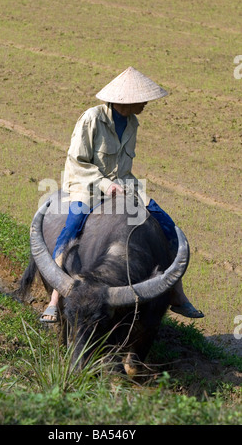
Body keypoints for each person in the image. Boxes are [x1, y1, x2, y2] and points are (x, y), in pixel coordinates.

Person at [41, 66, 204, 322]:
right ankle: (54, 298)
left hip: (124, 184)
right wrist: (106, 185)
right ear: (125, 101)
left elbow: (123, 169)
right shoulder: (92, 118)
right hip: (88, 185)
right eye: (142, 99)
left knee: (166, 225)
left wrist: (122, 186)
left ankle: (176, 293)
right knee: (71, 227)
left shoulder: (131, 122)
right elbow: (77, 162)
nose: (146, 104)